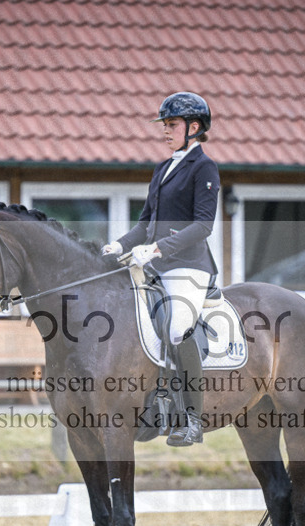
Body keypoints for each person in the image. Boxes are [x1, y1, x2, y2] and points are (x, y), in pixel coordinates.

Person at [102, 91, 220, 447]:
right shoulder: (162, 168)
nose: (165, 131)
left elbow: (202, 226)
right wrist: (119, 245)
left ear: (194, 127)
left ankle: (192, 420)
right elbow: (145, 223)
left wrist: (155, 248)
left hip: (188, 268)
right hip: (154, 267)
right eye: (165, 125)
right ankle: (151, 407)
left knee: (177, 328)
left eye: (172, 125)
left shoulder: (205, 168)